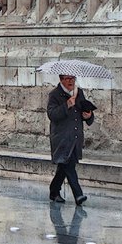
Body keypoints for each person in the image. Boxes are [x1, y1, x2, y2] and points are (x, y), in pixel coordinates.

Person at [46, 72, 95, 205]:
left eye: (72, 78)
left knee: (65, 165)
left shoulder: (79, 93)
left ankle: (54, 191)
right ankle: (78, 195)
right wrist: (66, 105)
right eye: (67, 79)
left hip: (75, 137)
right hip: (61, 138)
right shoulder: (54, 95)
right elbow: (52, 114)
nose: (70, 81)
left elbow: (86, 112)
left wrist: (88, 115)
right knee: (68, 165)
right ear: (61, 80)